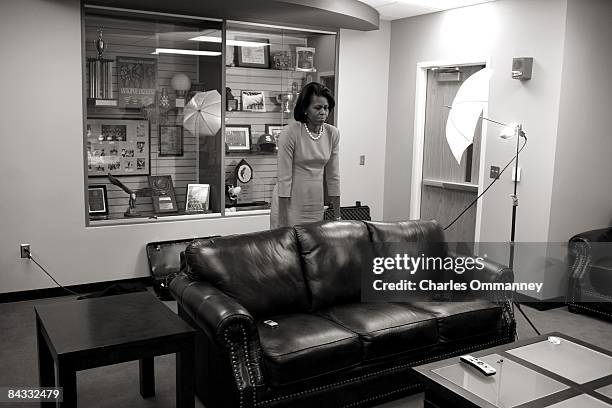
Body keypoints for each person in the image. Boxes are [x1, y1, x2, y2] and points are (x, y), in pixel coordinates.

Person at [270, 82, 340, 229]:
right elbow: (284, 177)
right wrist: (282, 220)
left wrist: (337, 215)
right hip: (289, 203)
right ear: (305, 109)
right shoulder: (290, 133)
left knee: (313, 245)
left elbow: (333, 176)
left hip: (315, 202)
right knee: (289, 247)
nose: (323, 112)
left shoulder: (332, 133)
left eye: (326, 108)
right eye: (318, 107)